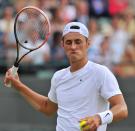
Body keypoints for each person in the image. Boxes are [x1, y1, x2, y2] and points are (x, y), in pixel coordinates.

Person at [4, 22, 128, 131]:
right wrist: (19, 86)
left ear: (88, 43)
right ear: (63, 45)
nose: (73, 47)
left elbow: (122, 109)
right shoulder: (58, 77)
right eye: (69, 42)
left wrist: (99, 118)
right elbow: (47, 107)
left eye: (78, 41)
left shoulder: (101, 73)